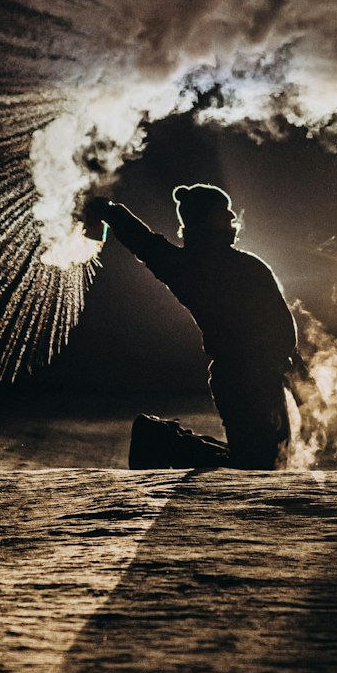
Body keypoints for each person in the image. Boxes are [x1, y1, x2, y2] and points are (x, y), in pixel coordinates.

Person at [83, 185, 299, 470]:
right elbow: (144, 242)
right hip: (242, 380)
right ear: (206, 219)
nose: (232, 216)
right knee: (257, 466)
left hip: (262, 377)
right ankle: (163, 440)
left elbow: (281, 329)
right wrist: (109, 213)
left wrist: (297, 378)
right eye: (223, 212)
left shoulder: (229, 265)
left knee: (264, 461)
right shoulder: (195, 267)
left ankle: (164, 440)